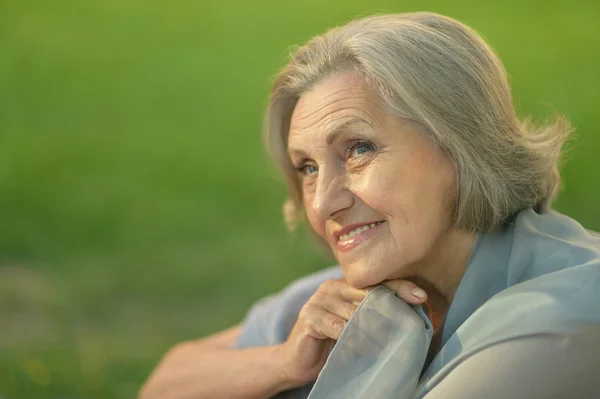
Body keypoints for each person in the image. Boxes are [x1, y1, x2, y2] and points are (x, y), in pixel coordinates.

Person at [139, 12, 600, 399]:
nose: (323, 203)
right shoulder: (356, 294)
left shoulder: (563, 315)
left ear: (462, 145)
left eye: (358, 149)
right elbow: (163, 384)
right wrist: (283, 363)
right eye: (307, 168)